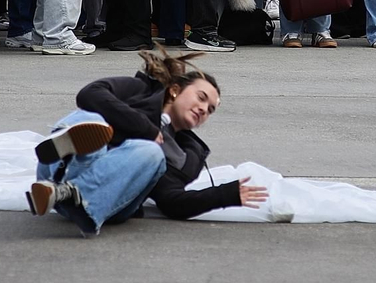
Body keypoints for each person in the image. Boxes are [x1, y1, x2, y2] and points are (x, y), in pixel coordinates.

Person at [26, 51, 266, 236]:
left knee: (151, 152)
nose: (204, 109)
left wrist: (225, 195)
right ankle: (65, 155)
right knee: (92, 117)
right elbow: (89, 94)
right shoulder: (140, 91)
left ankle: (74, 192)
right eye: (201, 98)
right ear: (174, 91)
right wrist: (144, 128)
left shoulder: (183, 154)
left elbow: (172, 203)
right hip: (53, 174)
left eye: (210, 110)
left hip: (103, 202)